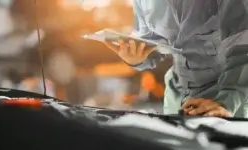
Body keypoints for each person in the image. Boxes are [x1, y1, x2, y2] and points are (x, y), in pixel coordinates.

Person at [105, 0, 248, 118]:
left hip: (223, 100)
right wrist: (136, 59)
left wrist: (226, 102)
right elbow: (153, 43)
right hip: (175, 98)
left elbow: (243, 46)